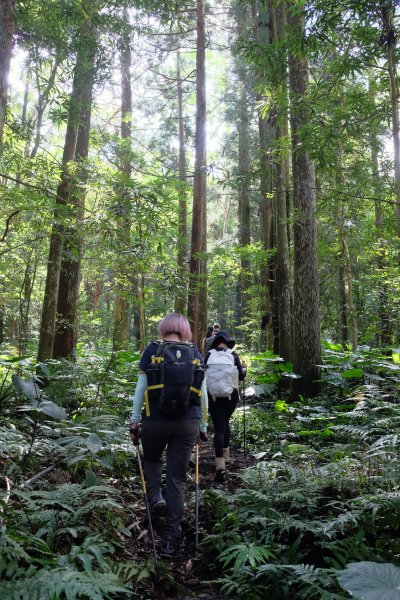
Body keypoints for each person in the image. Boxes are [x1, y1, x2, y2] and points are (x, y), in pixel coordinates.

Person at [129, 312, 208, 559]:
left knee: (152, 459)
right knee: (177, 477)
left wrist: (134, 419)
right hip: (188, 421)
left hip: (155, 420)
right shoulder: (195, 353)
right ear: (185, 330)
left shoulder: (152, 350)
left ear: (163, 328)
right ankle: (170, 538)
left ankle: (155, 497)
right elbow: (202, 391)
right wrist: (203, 426)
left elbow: (141, 387)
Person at [204, 330, 246, 482]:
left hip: (213, 396)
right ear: (228, 343)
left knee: (218, 428)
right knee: (225, 422)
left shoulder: (208, 355)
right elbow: (240, 377)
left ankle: (220, 463)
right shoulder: (233, 355)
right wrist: (245, 369)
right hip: (231, 396)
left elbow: (202, 374)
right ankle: (226, 455)